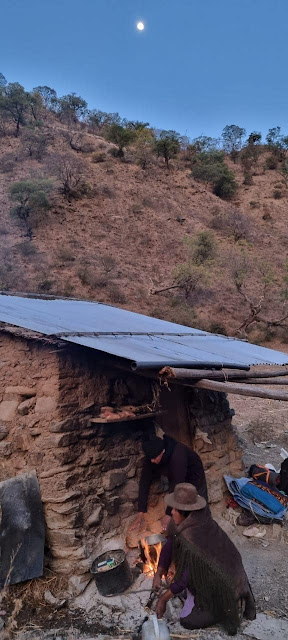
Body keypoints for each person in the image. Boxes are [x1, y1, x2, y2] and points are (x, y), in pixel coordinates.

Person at [153, 483, 256, 635]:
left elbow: (184, 578)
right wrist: (159, 571)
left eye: (175, 509)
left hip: (225, 581)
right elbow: (169, 544)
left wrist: (163, 599)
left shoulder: (193, 536)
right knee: (185, 590)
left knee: (187, 620)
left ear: (186, 512)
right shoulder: (187, 521)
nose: (172, 512)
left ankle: (226, 606)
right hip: (218, 572)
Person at [130, 435, 208, 531]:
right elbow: (144, 482)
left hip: (194, 477)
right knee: (181, 515)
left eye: (154, 458)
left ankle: (205, 530)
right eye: (150, 458)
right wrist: (141, 512)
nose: (152, 461)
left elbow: (178, 485)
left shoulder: (178, 454)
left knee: (198, 511)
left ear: (163, 451)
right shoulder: (152, 455)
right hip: (177, 478)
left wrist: (168, 514)